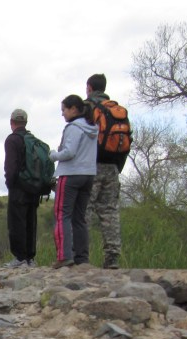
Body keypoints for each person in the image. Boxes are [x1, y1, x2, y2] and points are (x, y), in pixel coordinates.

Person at [49, 95, 98, 268]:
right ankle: (82, 258)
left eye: (64, 110)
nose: (62, 113)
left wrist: (53, 155)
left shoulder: (73, 127)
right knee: (79, 217)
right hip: (88, 175)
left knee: (62, 214)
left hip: (70, 175)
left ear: (74, 109)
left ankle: (64, 257)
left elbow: (69, 152)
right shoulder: (93, 128)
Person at [86, 73, 126, 269]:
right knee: (110, 211)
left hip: (91, 166)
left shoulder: (88, 107)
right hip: (113, 166)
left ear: (89, 88)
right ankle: (112, 257)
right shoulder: (117, 110)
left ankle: (81, 254)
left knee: (84, 209)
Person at [2, 108, 40, 268]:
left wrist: (9, 184)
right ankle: (30, 258)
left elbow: (10, 167)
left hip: (18, 187)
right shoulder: (33, 140)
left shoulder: (12, 140)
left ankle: (20, 258)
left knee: (16, 222)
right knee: (31, 221)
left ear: (11, 122)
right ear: (25, 122)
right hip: (34, 187)